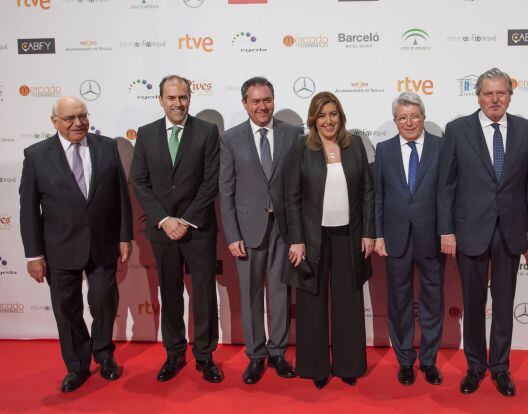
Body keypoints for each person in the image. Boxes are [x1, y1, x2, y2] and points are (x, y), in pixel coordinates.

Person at [438, 68, 528, 397]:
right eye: (488, 93)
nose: (494, 99)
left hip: (511, 229)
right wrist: (447, 230)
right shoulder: (457, 130)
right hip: (470, 229)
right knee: (472, 302)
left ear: (510, 95)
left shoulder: (527, 130)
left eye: (501, 93)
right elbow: (446, 185)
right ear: (478, 96)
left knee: (503, 302)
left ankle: (499, 367)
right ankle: (474, 365)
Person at [19, 96, 133, 392]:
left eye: (82, 116)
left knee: (104, 301)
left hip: (103, 243)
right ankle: (77, 366)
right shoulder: (36, 155)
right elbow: (29, 210)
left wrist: (125, 235)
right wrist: (34, 254)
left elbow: (122, 195)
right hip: (59, 247)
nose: (78, 123)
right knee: (66, 310)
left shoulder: (107, 147)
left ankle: (104, 354)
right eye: (69, 118)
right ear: (54, 121)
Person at [131, 75, 222, 383]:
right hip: (161, 229)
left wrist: (185, 220)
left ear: (189, 98)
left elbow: (212, 181)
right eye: (171, 98)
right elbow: (140, 182)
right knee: (170, 293)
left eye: (182, 97)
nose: (177, 103)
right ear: (160, 100)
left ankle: (205, 356)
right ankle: (174, 353)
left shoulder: (207, 132)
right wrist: (164, 219)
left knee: (204, 295)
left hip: (198, 229)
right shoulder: (145, 134)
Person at [283, 91, 374, 389]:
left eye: (333, 114)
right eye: (322, 115)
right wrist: (296, 239)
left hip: (348, 236)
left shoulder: (355, 144)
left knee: (349, 302)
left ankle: (349, 365)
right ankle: (315, 366)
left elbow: (367, 192)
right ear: (313, 119)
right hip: (312, 238)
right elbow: (292, 196)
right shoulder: (301, 147)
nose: (328, 120)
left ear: (341, 116)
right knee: (313, 303)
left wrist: (368, 232)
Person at [220, 76, 301, 384]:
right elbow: (225, 190)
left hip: (284, 227)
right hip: (246, 229)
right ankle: (256, 355)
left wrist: (298, 235)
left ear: (273, 100)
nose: (262, 106)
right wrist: (232, 234)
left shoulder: (293, 134)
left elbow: (299, 186)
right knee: (251, 293)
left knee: (281, 291)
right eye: (255, 101)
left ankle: (278, 351)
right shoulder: (230, 138)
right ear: (244, 104)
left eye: (267, 100)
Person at [374, 92, 445, 386]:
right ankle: (405, 360)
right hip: (396, 238)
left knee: (433, 301)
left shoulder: (442, 148)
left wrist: (447, 232)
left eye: (414, 116)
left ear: (423, 117)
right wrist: (378, 234)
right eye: (403, 117)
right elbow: (378, 195)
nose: (409, 122)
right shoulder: (384, 149)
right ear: (395, 121)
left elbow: (447, 193)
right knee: (399, 301)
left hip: (432, 238)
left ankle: (428, 360)